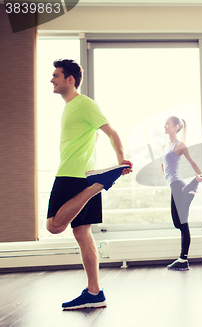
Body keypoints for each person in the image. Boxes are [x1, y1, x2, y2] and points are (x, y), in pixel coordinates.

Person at [46, 59, 133, 310]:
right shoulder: (70, 106)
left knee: (54, 226)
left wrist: (120, 159)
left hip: (73, 176)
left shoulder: (83, 103)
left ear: (70, 79)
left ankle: (99, 185)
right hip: (84, 177)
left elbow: (111, 131)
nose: (52, 80)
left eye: (56, 75)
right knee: (82, 233)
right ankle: (94, 293)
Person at [161, 116, 202, 271]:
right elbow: (163, 164)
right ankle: (191, 191)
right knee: (177, 223)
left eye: (168, 124)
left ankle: (183, 260)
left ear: (176, 127)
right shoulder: (165, 145)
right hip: (174, 185)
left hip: (178, 183)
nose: (165, 126)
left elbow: (191, 162)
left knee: (182, 223)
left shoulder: (180, 145)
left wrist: (200, 174)